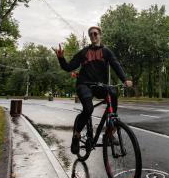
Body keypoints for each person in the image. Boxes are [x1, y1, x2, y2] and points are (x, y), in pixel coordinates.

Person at [53, 26, 132, 154]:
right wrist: (61, 58)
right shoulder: (83, 52)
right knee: (88, 109)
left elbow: (116, 65)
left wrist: (124, 79)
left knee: (112, 93)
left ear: (100, 35)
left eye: (95, 34)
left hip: (100, 85)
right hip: (84, 84)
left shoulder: (106, 52)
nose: (93, 36)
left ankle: (110, 131)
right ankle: (76, 135)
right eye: (91, 35)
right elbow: (69, 67)